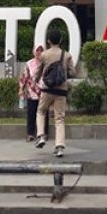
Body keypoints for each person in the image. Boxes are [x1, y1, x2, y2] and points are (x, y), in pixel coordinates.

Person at [34, 29, 76, 158]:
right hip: (61, 90)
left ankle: (41, 135)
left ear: (49, 41)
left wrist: (36, 80)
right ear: (61, 40)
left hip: (47, 88)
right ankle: (59, 147)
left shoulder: (44, 55)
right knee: (59, 118)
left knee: (41, 111)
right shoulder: (67, 55)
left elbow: (39, 72)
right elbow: (73, 72)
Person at [19, 45, 48, 142]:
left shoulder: (46, 64)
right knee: (31, 114)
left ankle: (44, 133)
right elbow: (24, 78)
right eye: (37, 50)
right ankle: (30, 134)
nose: (39, 52)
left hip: (44, 92)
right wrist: (21, 89)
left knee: (44, 113)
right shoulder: (29, 64)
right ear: (33, 52)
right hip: (31, 93)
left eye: (41, 50)